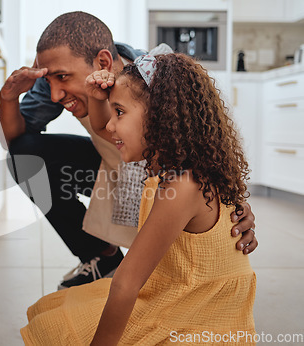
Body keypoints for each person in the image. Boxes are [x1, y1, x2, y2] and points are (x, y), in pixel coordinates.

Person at [0, 11, 257, 289]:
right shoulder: (56, 82)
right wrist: (9, 98)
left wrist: (232, 200)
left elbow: (209, 140)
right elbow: (13, 142)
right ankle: (102, 256)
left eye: (63, 77)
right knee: (25, 155)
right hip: (111, 171)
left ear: (103, 62)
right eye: (50, 81)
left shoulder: (156, 76)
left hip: (161, 180)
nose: (55, 95)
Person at [20, 53, 256, 345]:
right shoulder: (173, 163)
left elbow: (125, 283)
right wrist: (98, 97)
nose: (110, 125)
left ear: (160, 118)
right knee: (50, 309)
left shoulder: (182, 184)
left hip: (195, 309)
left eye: (118, 112)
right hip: (174, 289)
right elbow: (100, 126)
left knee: (55, 327)